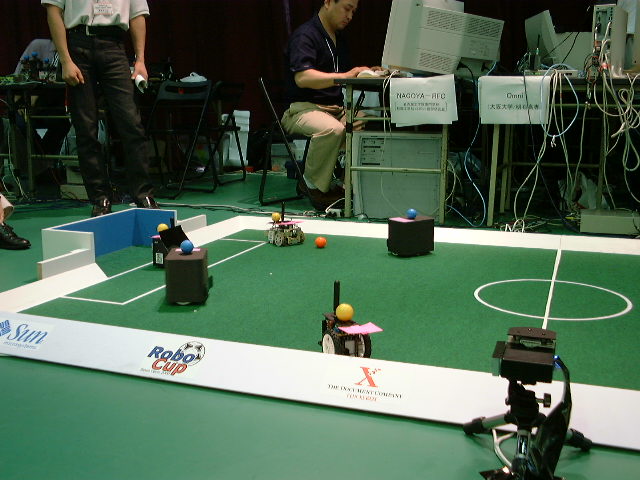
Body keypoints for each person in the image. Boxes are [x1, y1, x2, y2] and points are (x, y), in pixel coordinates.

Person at [42, 0, 157, 216]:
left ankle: (143, 194)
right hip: (78, 44)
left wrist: (140, 60)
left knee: (131, 124)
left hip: (114, 46)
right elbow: (53, 11)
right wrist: (65, 60)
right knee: (86, 128)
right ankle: (99, 197)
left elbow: (137, 14)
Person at [282, 0, 372, 211]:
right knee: (332, 129)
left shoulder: (339, 39)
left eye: (353, 11)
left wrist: (369, 73)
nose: (350, 16)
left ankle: (345, 185)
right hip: (301, 109)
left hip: (334, 109)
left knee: (361, 118)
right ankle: (311, 185)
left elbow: (345, 76)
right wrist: (345, 76)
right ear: (328, 2)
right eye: (347, 8)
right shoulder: (305, 36)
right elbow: (303, 78)